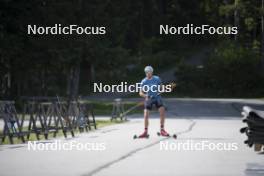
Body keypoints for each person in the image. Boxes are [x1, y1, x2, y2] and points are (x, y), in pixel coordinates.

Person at [138, 66, 170, 138]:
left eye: (149, 72)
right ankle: (145, 132)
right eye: (146, 73)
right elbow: (140, 93)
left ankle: (162, 130)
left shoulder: (157, 79)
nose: (148, 74)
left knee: (162, 111)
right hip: (149, 99)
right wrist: (146, 96)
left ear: (152, 72)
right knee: (146, 114)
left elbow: (162, 88)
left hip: (157, 98)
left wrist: (160, 91)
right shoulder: (144, 81)